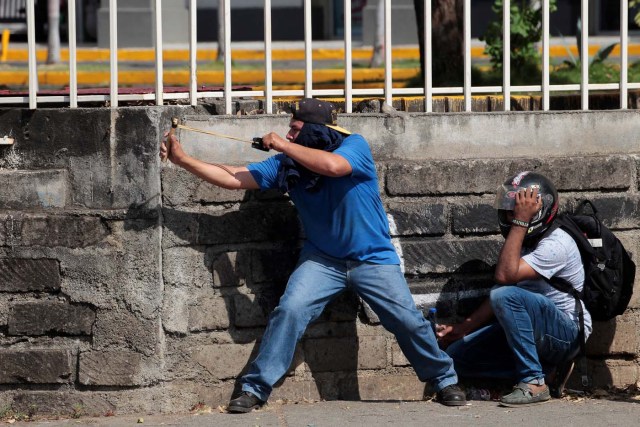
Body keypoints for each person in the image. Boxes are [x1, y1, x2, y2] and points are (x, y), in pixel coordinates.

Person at [160, 98, 466, 412]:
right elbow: (234, 177)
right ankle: (254, 389)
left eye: (295, 129)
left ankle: (444, 380)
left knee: (406, 319)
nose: (288, 135)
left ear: (317, 130)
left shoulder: (354, 146)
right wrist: (184, 160)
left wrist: (282, 145)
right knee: (290, 310)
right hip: (323, 259)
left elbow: (333, 167)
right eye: (288, 131)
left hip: (372, 258)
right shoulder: (286, 165)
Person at [438, 171, 592, 407]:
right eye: (509, 211)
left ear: (536, 213)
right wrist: (462, 329)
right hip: (530, 330)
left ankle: (533, 382)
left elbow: (505, 278)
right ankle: (548, 372)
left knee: (506, 294)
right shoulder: (522, 242)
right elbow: (503, 291)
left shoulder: (556, 244)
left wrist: (521, 223)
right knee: (454, 358)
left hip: (565, 333)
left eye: (517, 210)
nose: (511, 217)